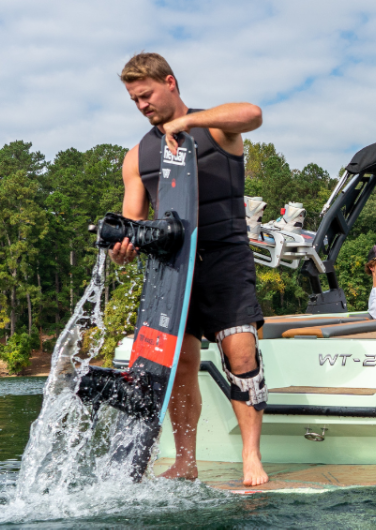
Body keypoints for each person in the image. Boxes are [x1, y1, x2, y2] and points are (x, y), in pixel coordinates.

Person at [107, 53, 268, 486]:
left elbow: (253, 114)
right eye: (133, 100)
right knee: (179, 366)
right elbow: (134, 222)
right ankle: (185, 461)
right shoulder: (137, 156)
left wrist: (183, 125)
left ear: (170, 82)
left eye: (146, 95)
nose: (141, 105)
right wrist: (124, 249)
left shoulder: (216, 127)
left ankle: (251, 457)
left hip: (225, 257)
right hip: (172, 269)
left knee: (240, 353)